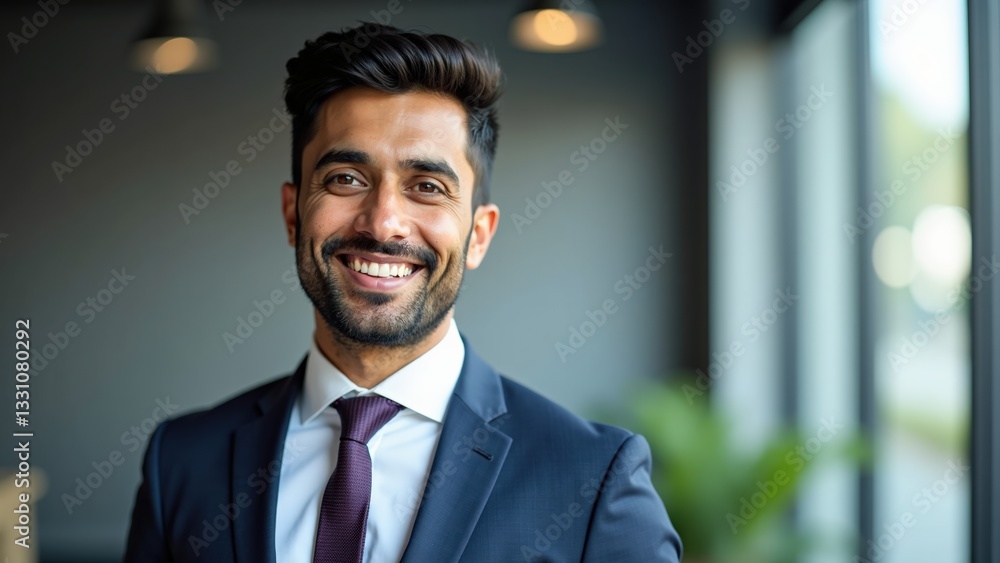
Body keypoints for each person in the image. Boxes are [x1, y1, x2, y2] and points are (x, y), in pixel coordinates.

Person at [123, 22, 682, 563]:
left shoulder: (592, 478)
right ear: (293, 214)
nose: (384, 222)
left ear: (478, 234)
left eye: (427, 187)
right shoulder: (182, 462)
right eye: (346, 178)